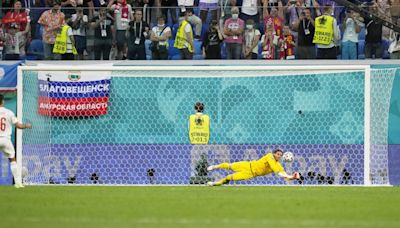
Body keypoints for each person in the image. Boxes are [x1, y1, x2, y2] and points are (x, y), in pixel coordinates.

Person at [207, 148, 300, 186]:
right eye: (278, 154)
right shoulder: (269, 156)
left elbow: (283, 175)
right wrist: (289, 176)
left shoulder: (278, 165)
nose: (279, 156)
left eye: (281, 155)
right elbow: (279, 173)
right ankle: (215, 166)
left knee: (229, 177)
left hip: (250, 173)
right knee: (229, 166)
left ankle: (215, 183)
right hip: (248, 165)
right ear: (274, 154)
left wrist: (292, 177)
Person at [0, 94, 32, 188]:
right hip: (6, 140)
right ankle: (18, 183)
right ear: (3, 101)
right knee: (12, 160)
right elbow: (18, 126)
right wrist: (26, 125)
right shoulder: (9, 112)